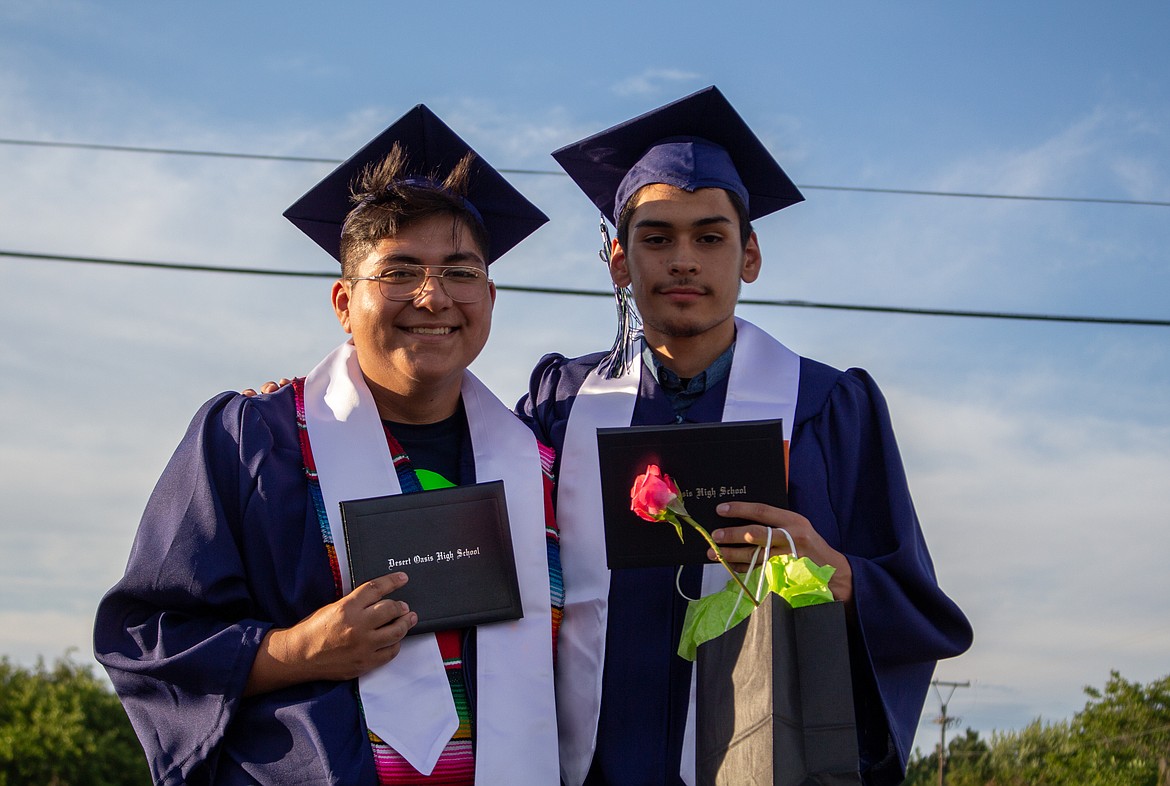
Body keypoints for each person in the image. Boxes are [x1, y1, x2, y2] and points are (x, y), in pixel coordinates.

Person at [518, 86, 973, 786]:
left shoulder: (827, 408)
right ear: (618, 260)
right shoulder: (563, 405)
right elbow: (460, 491)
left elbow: (914, 606)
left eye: (710, 236)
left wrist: (836, 573)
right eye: (657, 237)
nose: (684, 260)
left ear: (750, 255)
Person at [94, 105, 562, 785]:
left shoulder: (543, 464)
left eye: (459, 272)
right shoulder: (253, 442)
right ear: (343, 301)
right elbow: (144, 639)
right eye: (399, 272)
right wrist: (297, 650)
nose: (432, 297)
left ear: (489, 295)